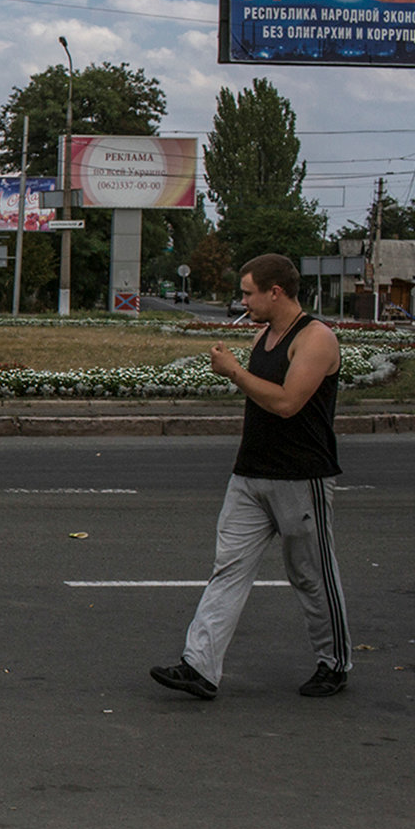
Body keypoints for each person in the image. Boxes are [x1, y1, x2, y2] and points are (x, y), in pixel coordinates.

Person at [151, 254, 349, 701]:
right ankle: (199, 666)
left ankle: (334, 662)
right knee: (228, 570)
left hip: (301, 476)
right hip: (250, 474)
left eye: (247, 292)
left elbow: (286, 403)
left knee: (312, 575)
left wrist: (235, 372)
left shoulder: (315, 339)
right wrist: (239, 370)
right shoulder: (265, 335)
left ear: (274, 291)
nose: (243, 301)